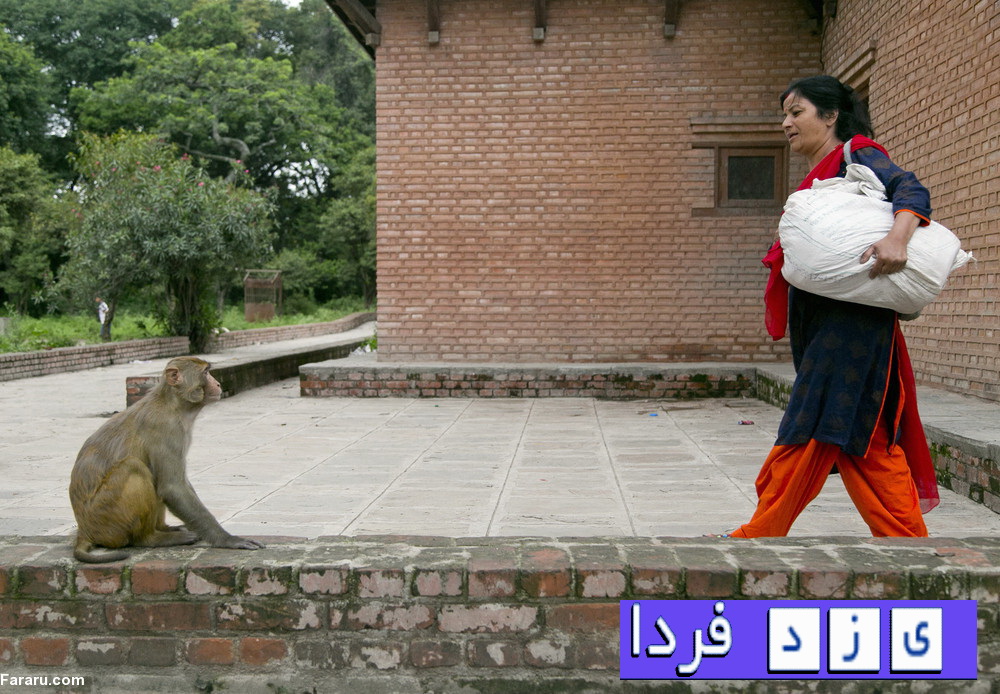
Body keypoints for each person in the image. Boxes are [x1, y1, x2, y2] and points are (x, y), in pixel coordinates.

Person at [729, 75, 939, 538]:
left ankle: (758, 534)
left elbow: (910, 189)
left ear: (830, 116)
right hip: (830, 323)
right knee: (864, 436)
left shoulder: (857, 153)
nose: (786, 123)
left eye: (796, 112)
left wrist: (897, 239)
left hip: (850, 327)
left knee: (812, 424)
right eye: (784, 114)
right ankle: (908, 542)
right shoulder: (819, 177)